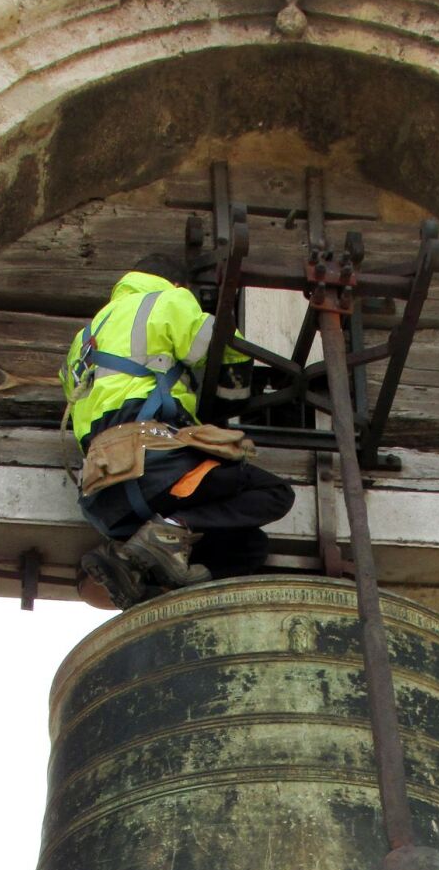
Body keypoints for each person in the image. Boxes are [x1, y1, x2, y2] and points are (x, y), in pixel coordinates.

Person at [62, 252, 294, 609]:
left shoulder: (84, 339)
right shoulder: (166, 299)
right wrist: (233, 399)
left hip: (104, 500)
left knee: (249, 547)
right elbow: (223, 344)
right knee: (274, 492)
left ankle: (147, 572)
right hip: (152, 465)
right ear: (177, 284)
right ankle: (166, 531)